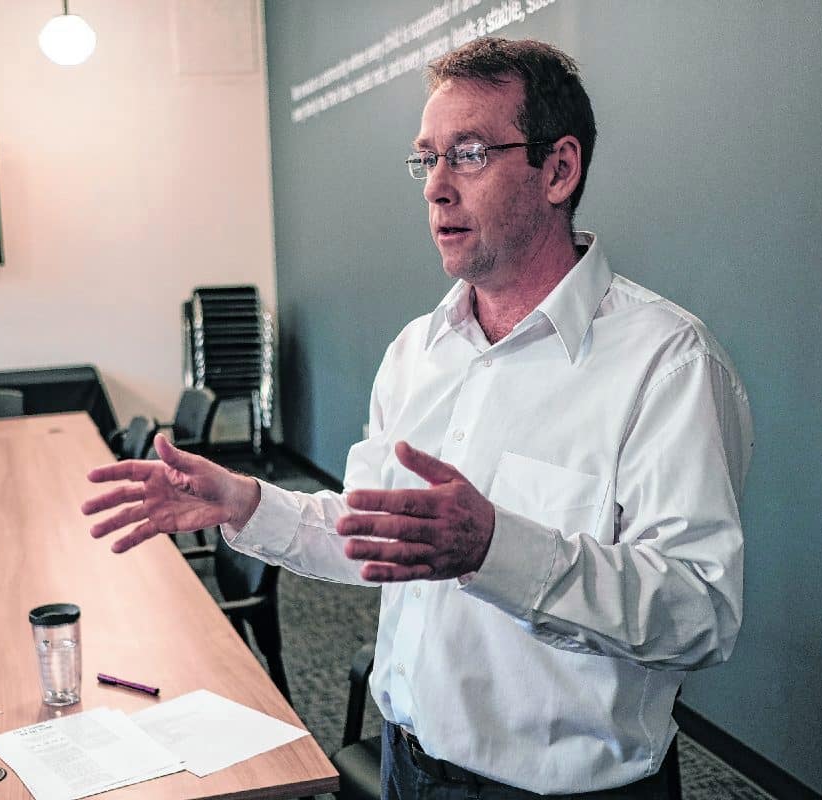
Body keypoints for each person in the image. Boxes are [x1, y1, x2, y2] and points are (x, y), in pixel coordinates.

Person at [84, 36, 752, 800]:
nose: (436, 187)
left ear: (558, 170)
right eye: (426, 158)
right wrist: (246, 503)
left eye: (468, 154)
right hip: (406, 768)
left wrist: (495, 548)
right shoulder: (417, 352)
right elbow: (371, 537)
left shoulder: (667, 364)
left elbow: (699, 613)